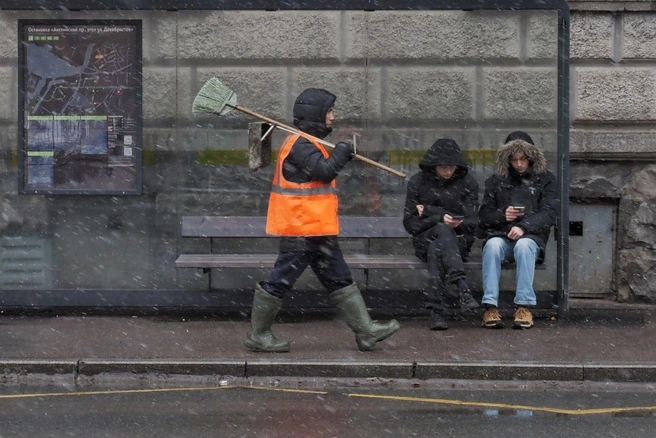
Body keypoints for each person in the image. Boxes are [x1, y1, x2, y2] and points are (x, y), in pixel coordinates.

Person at [244, 87, 400, 352]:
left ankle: (365, 331)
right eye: (328, 111)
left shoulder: (309, 142)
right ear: (315, 113)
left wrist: (340, 151)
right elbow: (325, 172)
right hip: (301, 230)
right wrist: (343, 151)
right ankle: (258, 335)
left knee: (339, 278)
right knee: (280, 281)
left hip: (316, 230)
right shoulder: (300, 144)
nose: (332, 116)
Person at [477, 131, 559, 329]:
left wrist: (523, 226)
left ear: (531, 159)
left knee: (523, 246)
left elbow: (549, 213)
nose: (519, 164)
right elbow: (484, 216)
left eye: (523, 159)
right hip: (502, 235)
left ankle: (524, 305)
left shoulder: (545, 179)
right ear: (508, 160)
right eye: (514, 160)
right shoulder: (496, 181)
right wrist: (502, 216)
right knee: (492, 245)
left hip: (530, 237)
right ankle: (490, 306)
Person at [403, 138, 480, 331]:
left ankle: (437, 312)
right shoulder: (418, 182)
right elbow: (411, 224)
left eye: (451, 167)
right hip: (424, 239)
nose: (448, 171)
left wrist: (457, 222)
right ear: (434, 165)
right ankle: (461, 286)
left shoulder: (467, 182)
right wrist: (437, 217)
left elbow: (475, 222)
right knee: (441, 232)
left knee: (437, 248)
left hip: (458, 242)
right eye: (443, 167)